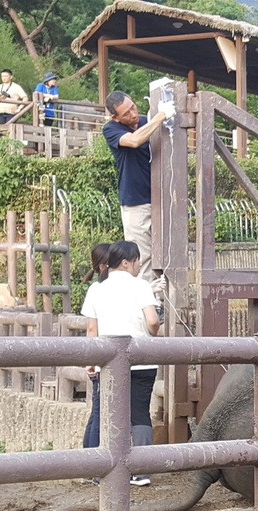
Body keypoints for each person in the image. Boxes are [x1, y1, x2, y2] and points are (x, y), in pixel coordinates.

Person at [80, 240, 161, 486]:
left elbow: (92, 328)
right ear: (125, 262)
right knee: (139, 414)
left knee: (106, 412)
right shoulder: (141, 286)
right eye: (136, 261)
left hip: (107, 361)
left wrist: (91, 360)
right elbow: (153, 322)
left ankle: (99, 467)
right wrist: (151, 332)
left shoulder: (96, 289)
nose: (138, 266)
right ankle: (141, 471)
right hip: (141, 361)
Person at [102, 90, 175, 282]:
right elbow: (134, 141)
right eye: (126, 113)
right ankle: (146, 309)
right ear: (115, 118)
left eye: (133, 107)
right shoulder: (111, 129)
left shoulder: (146, 121)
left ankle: (164, 303)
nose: (133, 114)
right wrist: (160, 116)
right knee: (140, 258)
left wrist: (158, 118)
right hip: (135, 202)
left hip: (160, 198)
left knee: (168, 253)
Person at [81, 243, 111, 453]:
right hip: (103, 358)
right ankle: (93, 459)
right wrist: (91, 359)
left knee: (98, 410)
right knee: (100, 411)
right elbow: (92, 328)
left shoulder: (98, 289)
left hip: (101, 357)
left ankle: (88, 456)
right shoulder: (99, 289)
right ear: (103, 266)